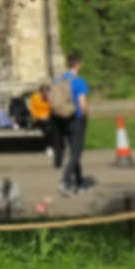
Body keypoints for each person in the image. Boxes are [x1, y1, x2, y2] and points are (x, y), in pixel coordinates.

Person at [55, 50, 92, 197]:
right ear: (78, 64)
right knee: (76, 153)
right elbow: (83, 104)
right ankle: (64, 181)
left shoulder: (59, 80)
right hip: (76, 119)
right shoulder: (80, 82)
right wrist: (86, 115)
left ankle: (80, 182)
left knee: (73, 151)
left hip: (62, 119)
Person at [28, 82, 62, 166]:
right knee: (48, 125)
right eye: (44, 92)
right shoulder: (35, 97)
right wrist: (40, 116)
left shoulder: (50, 98)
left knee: (50, 126)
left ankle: (50, 147)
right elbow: (33, 111)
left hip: (48, 119)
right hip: (37, 120)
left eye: (47, 92)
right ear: (40, 92)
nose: (46, 94)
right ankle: (50, 147)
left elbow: (54, 109)